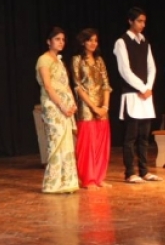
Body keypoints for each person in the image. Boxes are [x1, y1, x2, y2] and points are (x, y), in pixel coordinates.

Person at [113, 7, 163, 183]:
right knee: (131, 137)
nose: (142, 24)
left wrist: (148, 87)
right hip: (133, 95)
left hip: (145, 95)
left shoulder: (145, 42)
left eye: (144, 21)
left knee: (144, 137)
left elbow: (152, 67)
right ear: (130, 21)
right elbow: (124, 70)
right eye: (139, 21)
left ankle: (144, 171)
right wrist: (142, 88)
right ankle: (130, 172)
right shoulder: (122, 42)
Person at [36, 27, 80, 194]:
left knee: (67, 142)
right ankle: (52, 184)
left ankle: (67, 182)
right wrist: (62, 106)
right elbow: (48, 86)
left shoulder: (60, 61)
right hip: (53, 105)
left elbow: (66, 85)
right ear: (49, 41)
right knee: (56, 141)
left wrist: (72, 104)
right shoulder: (43, 59)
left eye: (63, 39)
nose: (61, 42)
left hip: (65, 105)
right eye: (57, 39)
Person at [71, 28, 112, 189]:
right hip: (87, 107)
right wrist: (93, 107)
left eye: (95, 40)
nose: (93, 43)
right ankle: (88, 179)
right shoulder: (77, 60)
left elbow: (106, 85)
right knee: (87, 145)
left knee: (101, 143)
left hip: (102, 107)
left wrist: (105, 107)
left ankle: (99, 177)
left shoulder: (100, 60)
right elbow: (77, 87)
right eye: (90, 40)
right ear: (83, 42)